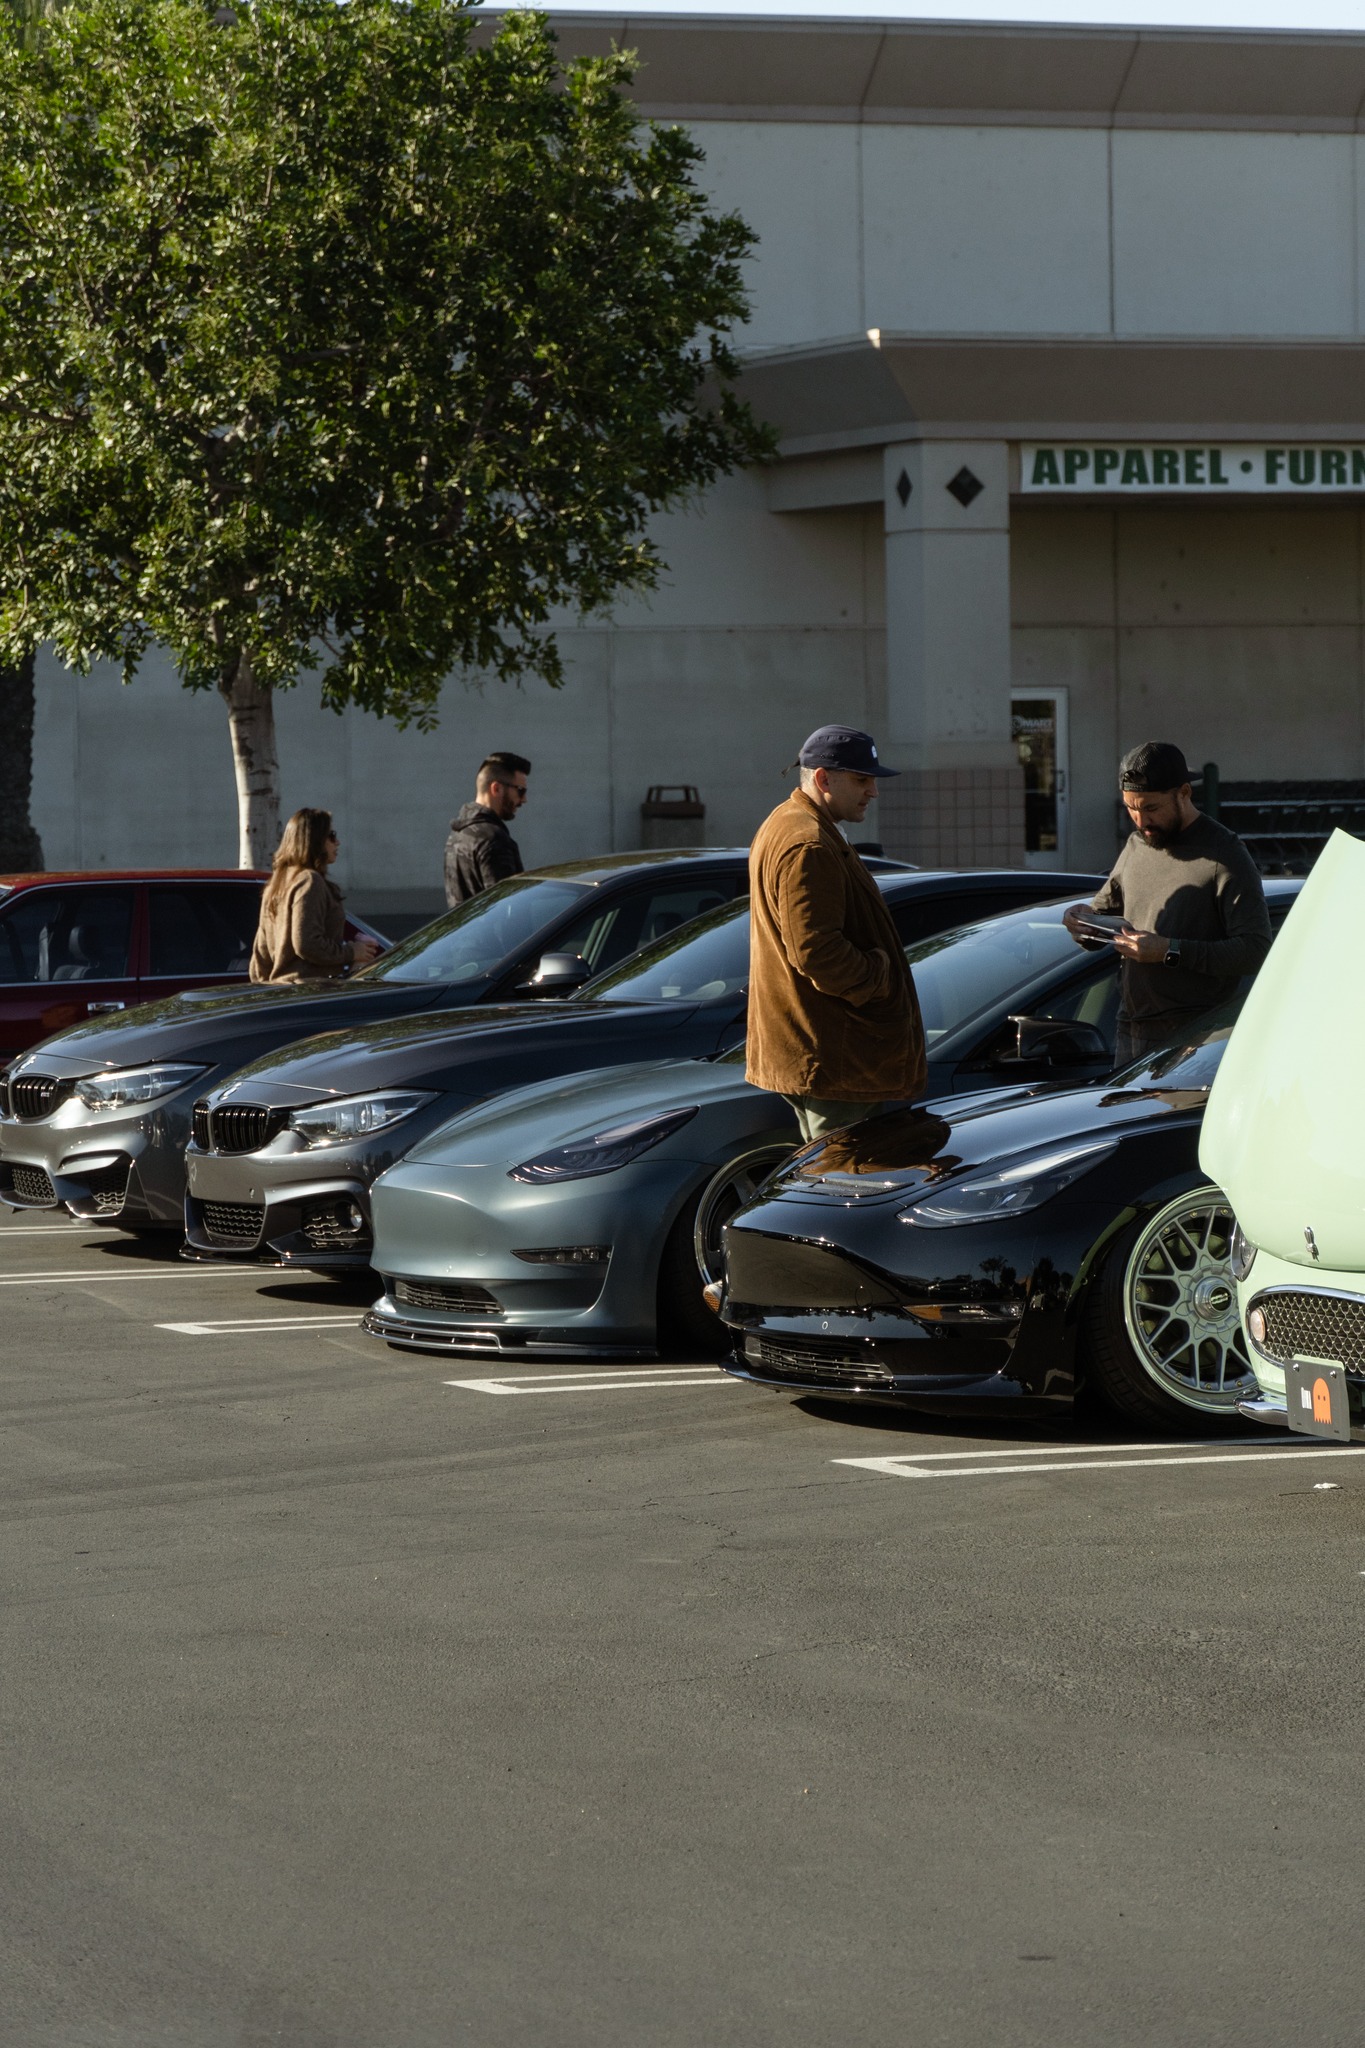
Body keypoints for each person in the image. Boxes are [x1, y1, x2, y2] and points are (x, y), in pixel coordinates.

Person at [747, 725, 926, 1143]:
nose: (873, 792)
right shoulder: (807, 842)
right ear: (824, 778)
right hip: (834, 1058)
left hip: (821, 1055)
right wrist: (879, 977)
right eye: (862, 780)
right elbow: (818, 953)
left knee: (827, 1185)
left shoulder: (792, 825)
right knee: (845, 1191)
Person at [1063, 740, 1271, 1068]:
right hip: (1130, 1031)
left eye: (1151, 808)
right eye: (1131, 808)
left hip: (1194, 1043)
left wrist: (1168, 951)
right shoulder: (1136, 845)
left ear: (1184, 793)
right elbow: (1100, 920)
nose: (1140, 820)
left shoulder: (1225, 854)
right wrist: (1079, 922)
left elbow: (1255, 950)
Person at [249, 808, 382, 984]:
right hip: (311, 993)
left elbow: (260, 958)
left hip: (280, 995)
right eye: (331, 836)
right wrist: (351, 951)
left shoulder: (277, 883)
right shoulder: (309, 881)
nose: (338, 842)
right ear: (314, 840)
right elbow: (307, 944)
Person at [444, 752, 531, 906]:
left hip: (466, 930)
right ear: (496, 788)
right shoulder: (493, 839)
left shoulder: (458, 833)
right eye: (520, 790)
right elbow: (507, 908)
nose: (524, 799)